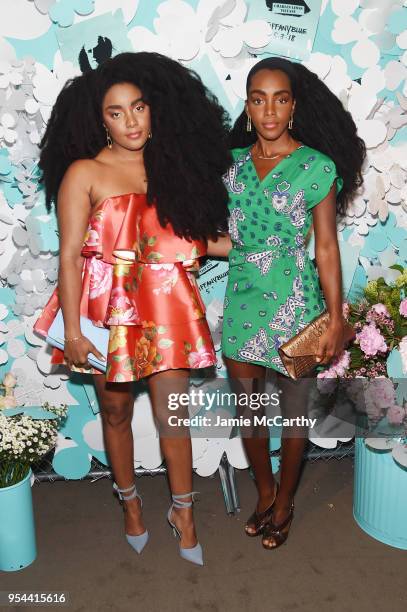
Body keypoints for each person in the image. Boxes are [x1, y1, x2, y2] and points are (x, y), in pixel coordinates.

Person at [34, 52, 231, 566]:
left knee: (175, 417)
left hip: (165, 305)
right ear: (99, 119)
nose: (130, 121)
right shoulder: (84, 172)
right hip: (104, 311)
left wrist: (265, 241)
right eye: (116, 112)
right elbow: (70, 255)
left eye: (138, 108)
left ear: (154, 109)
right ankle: (130, 504)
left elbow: (193, 239)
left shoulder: (173, 166)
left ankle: (184, 513)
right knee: (116, 412)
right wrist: (72, 330)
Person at [211, 56, 365, 550]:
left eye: (280, 98)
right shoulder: (229, 165)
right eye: (259, 99)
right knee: (250, 413)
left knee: (295, 415)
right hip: (240, 300)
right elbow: (224, 238)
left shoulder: (316, 167)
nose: (269, 110)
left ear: (294, 106)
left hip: (296, 304)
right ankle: (265, 489)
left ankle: (286, 502)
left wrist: (336, 318)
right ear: (249, 105)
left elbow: (325, 247)